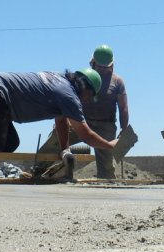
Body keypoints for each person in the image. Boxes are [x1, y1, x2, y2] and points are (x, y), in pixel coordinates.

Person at [39, 45, 130, 179]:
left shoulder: (117, 82)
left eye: (105, 68)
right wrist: (63, 122)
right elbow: (69, 99)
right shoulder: (83, 77)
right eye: (98, 67)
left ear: (111, 65)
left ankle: (106, 186)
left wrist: (124, 129)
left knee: (107, 166)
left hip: (105, 125)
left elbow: (123, 107)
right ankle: (37, 171)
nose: (101, 70)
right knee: (55, 141)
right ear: (92, 62)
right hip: (80, 121)